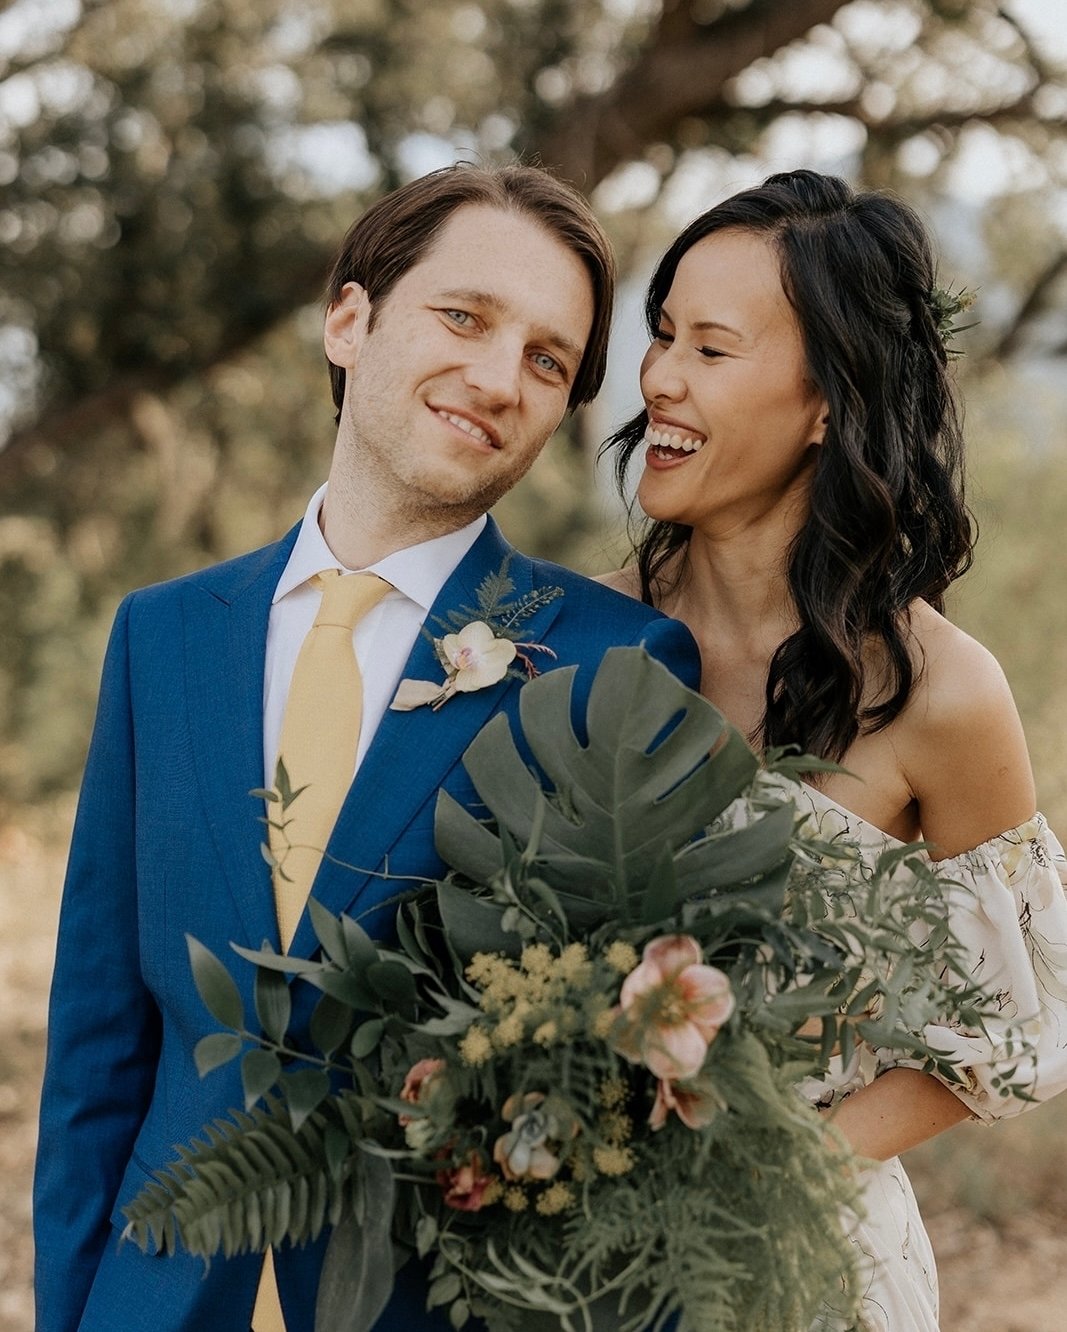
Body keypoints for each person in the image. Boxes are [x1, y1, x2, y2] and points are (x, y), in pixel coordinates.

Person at [33, 162, 701, 1332]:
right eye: (464, 317)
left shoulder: (617, 667)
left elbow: (626, 1107)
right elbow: (97, 1057)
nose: (499, 378)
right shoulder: (161, 637)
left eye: (547, 362)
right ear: (348, 319)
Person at [601, 168, 1067, 1329]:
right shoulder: (568, 635)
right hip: (559, 1255)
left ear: (825, 401)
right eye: (660, 334)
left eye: (710, 348)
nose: (657, 375)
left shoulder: (939, 692)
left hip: (797, 1268)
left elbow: (1013, 1026)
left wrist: (767, 1163)